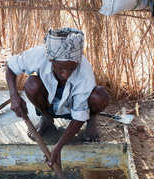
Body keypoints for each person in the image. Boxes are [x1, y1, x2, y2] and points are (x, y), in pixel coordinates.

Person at [6, 27, 110, 169]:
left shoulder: (84, 72)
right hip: (50, 101)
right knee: (31, 84)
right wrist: (14, 96)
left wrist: (58, 146)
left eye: (71, 68)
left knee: (100, 96)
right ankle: (46, 117)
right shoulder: (39, 55)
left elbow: (79, 116)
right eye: (60, 68)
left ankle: (91, 118)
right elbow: (11, 66)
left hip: (75, 106)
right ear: (51, 59)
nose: (66, 74)